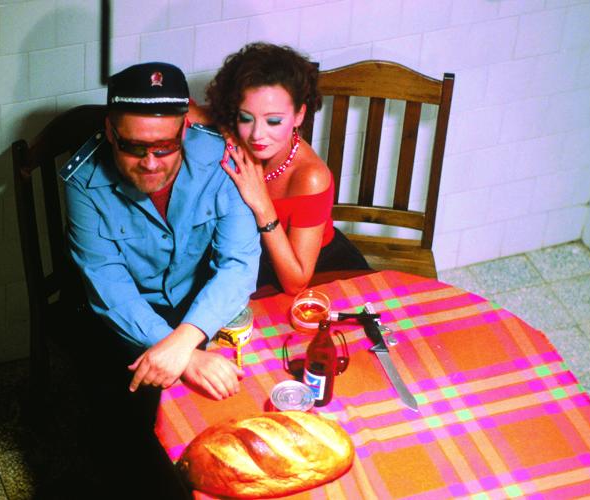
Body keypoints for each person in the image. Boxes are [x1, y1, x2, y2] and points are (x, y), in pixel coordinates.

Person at [59, 62, 261, 495]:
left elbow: (240, 263)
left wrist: (185, 340)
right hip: (124, 316)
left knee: (240, 409)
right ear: (110, 131)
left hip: (199, 303)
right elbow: (110, 290)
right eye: (133, 147)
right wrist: (187, 356)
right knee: (123, 432)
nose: (150, 163)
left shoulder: (222, 156)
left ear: (185, 129)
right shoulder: (82, 183)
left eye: (165, 147)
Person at [196, 42, 370, 295]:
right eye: (246, 117)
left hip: (317, 272)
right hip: (254, 262)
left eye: (274, 121)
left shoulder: (310, 176)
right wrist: (224, 126)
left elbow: (295, 282)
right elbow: (180, 111)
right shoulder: (237, 130)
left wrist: (262, 204)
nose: (257, 134)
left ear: (299, 115)